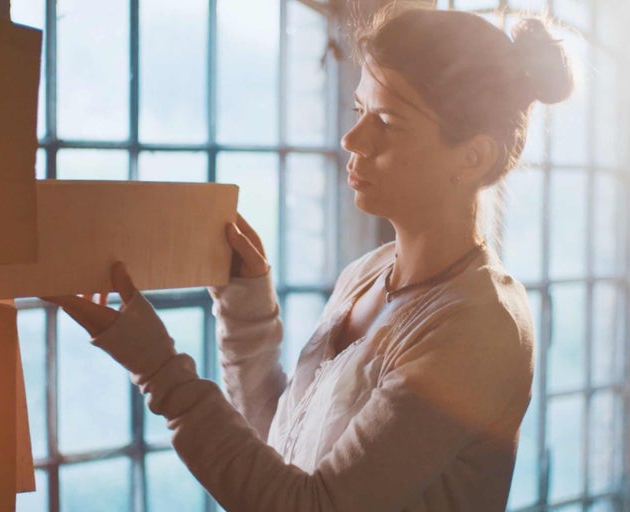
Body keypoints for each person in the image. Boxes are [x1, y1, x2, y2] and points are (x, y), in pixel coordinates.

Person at [48, 4, 573, 511]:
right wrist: (246, 309)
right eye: (360, 110)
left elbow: (311, 507)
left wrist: (159, 370)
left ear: (473, 156)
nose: (352, 139)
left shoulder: (478, 331)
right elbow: (284, 451)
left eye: (387, 122)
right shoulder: (366, 275)